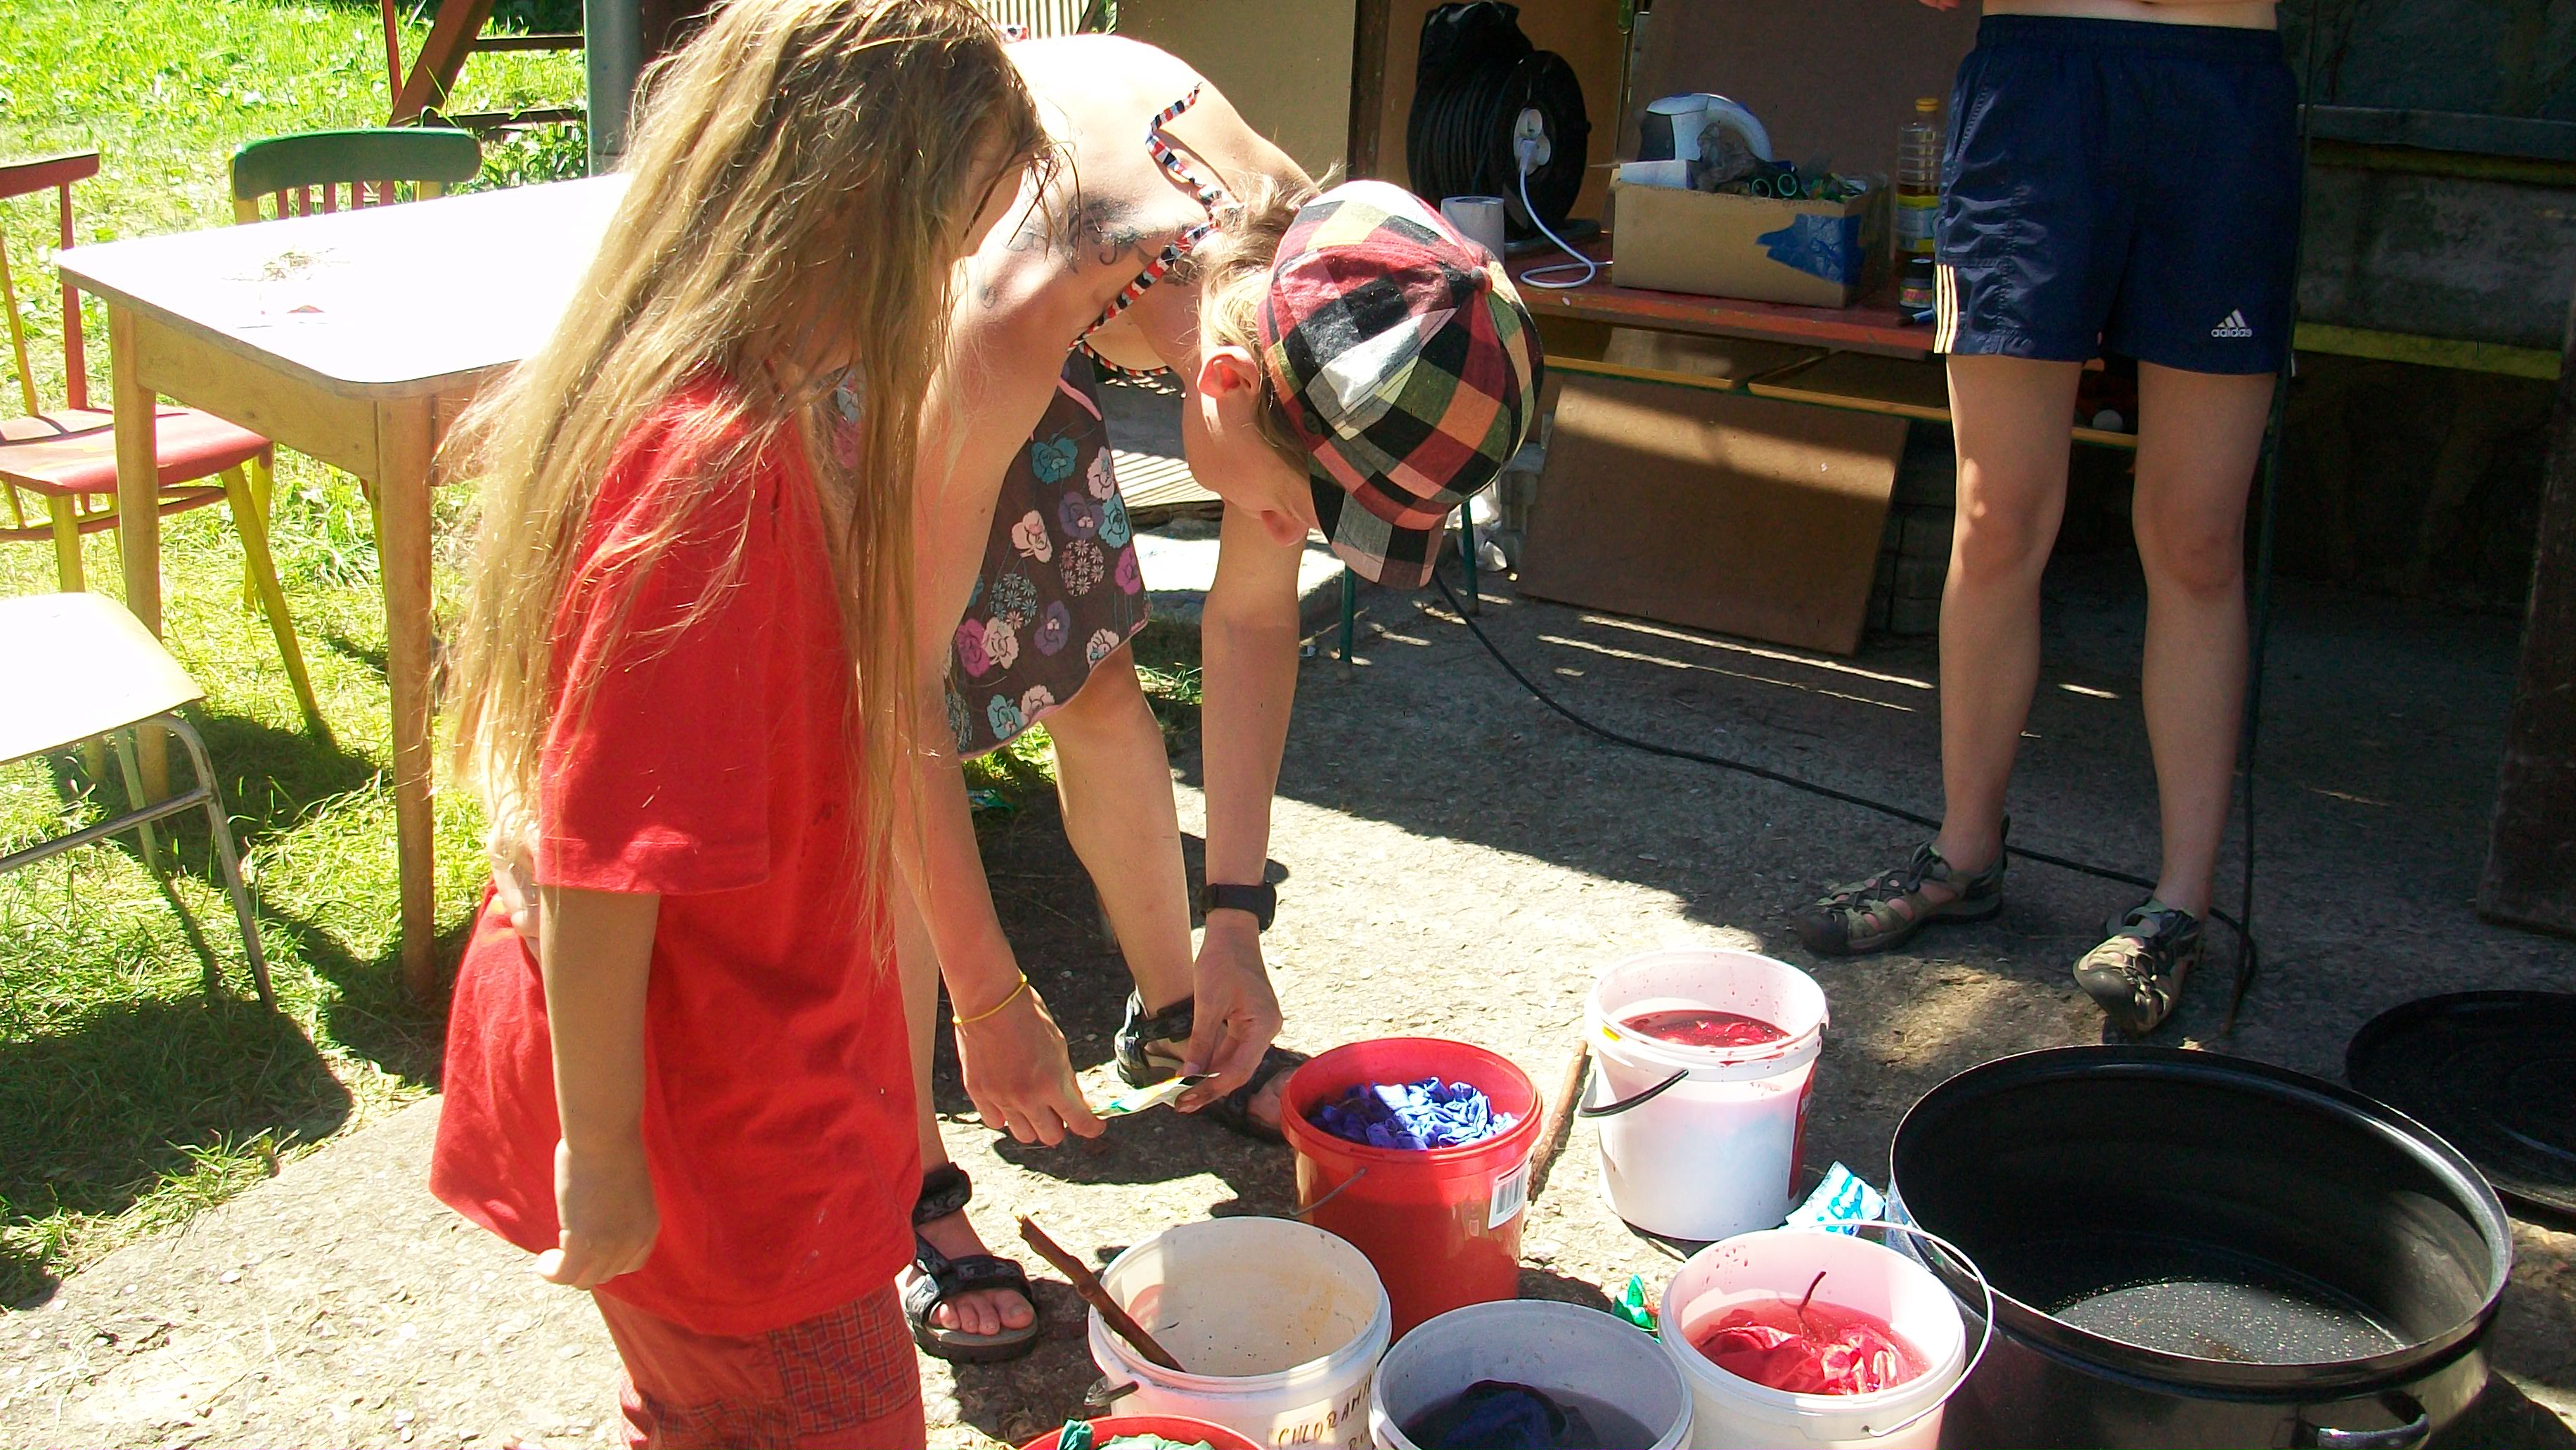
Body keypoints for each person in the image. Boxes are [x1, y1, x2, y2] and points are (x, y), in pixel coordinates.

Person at [427, 4, 1047, 1444]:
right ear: (842, 211)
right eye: (945, 243)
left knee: (712, 1415)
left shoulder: (746, 402)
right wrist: (604, 1151)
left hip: (745, 1081)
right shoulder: (714, 468)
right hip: (710, 1133)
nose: (949, 288)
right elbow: (598, 856)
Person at [893, 34, 1546, 1361]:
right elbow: (889, 702)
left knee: (1091, 674)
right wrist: (990, 997)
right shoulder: (1023, 302)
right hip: (890, 294)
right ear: (1227, 386)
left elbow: (1250, 621)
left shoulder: (1315, 287)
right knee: (893, 779)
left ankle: (1178, 1018)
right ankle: (906, 1174)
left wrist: (1233, 919)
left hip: (1066, 314)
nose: (1281, 536)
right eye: (1292, 511)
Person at [1793, 0, 2295, 1037]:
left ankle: (2181, 905)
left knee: (2198, 538)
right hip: (2036, 91)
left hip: (2221, 87)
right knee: (1996, 517)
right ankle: (1964, 855)